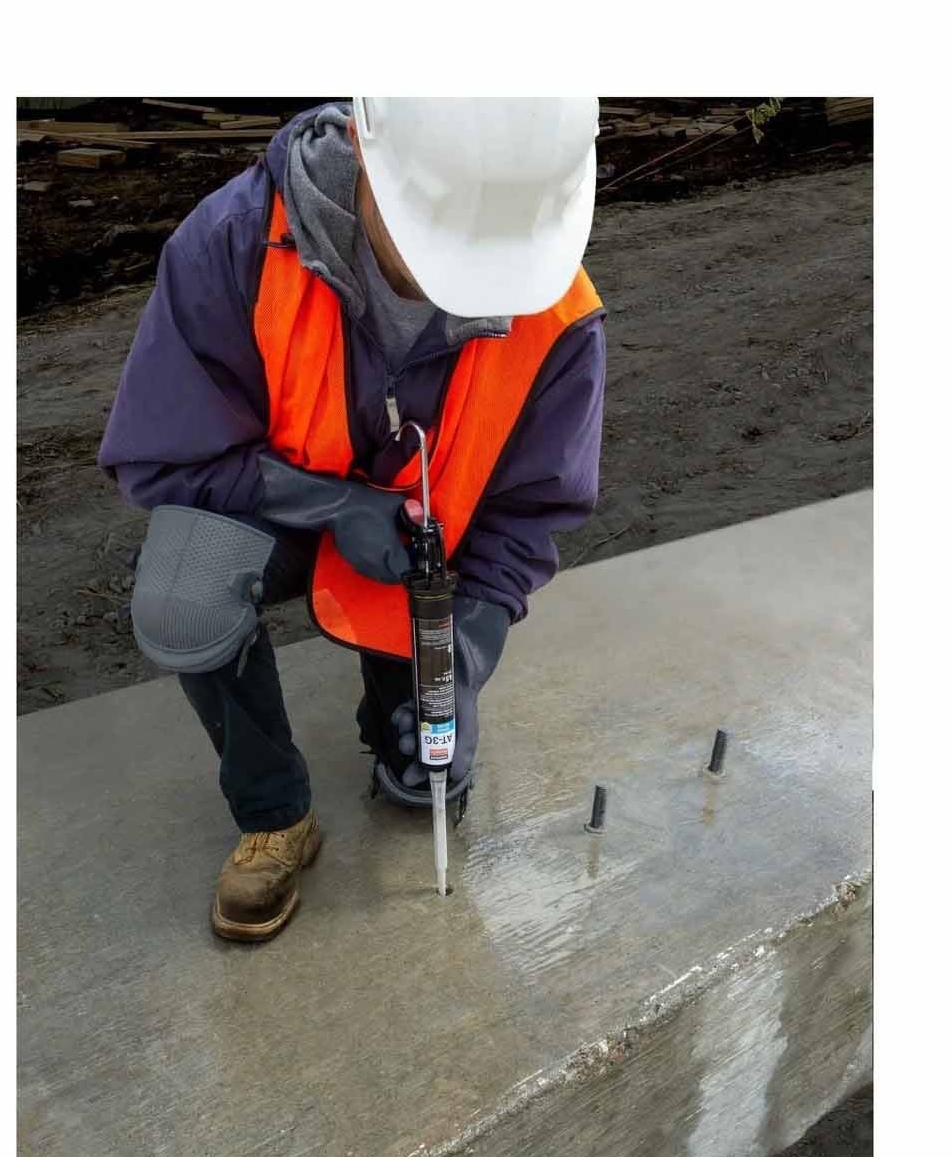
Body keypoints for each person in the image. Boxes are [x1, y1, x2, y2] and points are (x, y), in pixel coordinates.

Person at [99, 97, 606, 942]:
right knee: (182, 597)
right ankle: (275, 814)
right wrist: (332, 504)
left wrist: (464, 664)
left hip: (424, 543)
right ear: (367, 155)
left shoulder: (559, 311)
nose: (463, 283)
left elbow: (525, 514)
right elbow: (167, 457)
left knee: (419, 773)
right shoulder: (236, 242)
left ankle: (395, 713)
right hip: (268, 505)